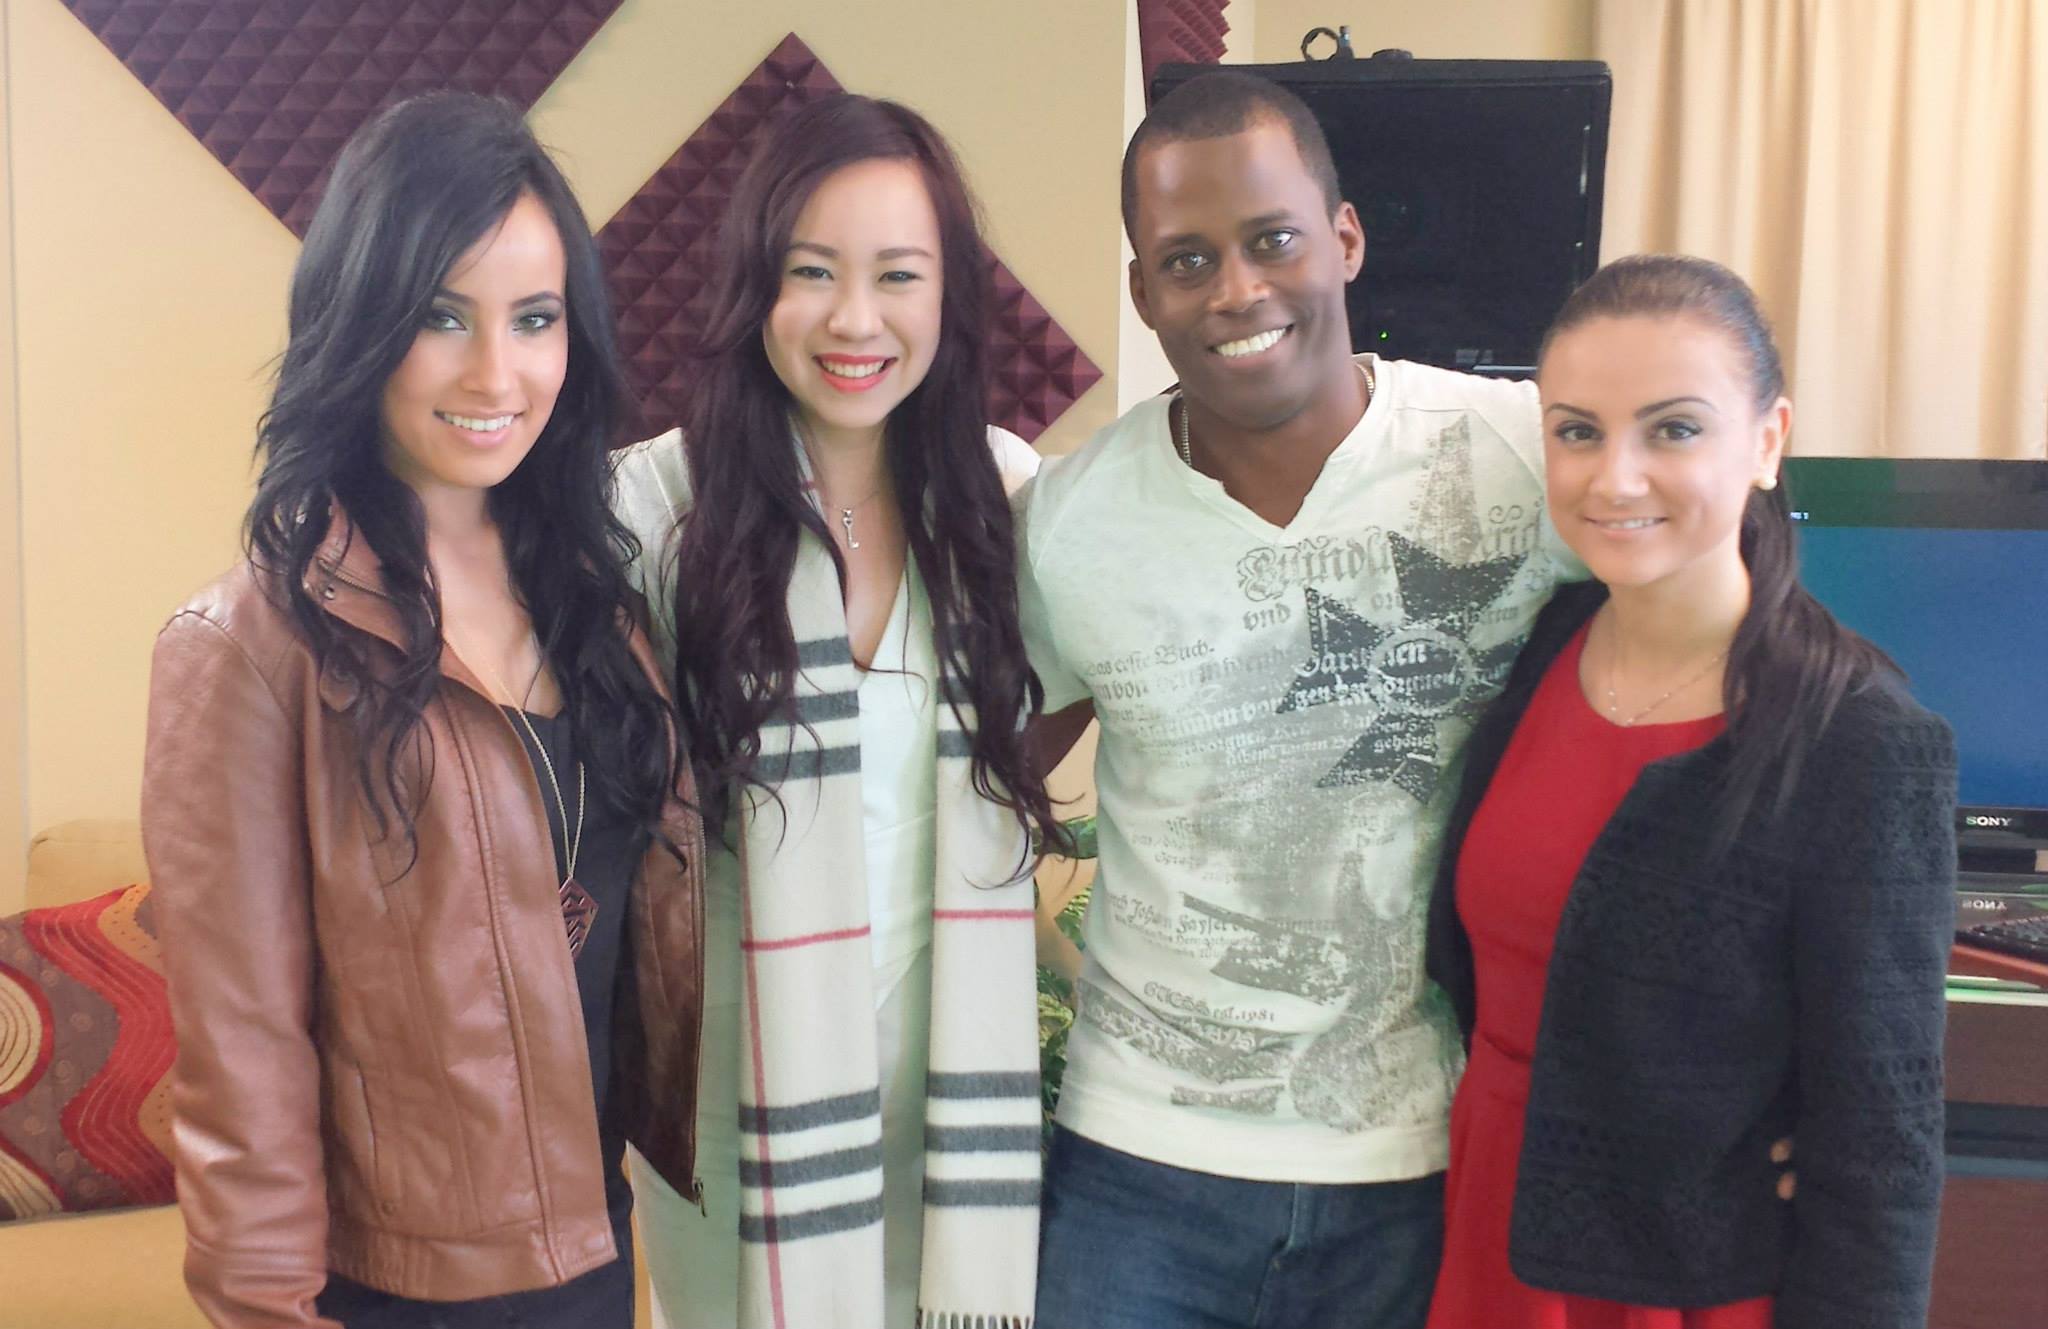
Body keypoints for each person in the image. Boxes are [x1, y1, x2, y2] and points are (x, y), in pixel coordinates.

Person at [1019, 71, 1578, 1329]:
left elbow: (1728, 661)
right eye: (1186, 260)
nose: (1235, 290)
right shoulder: (1067, 522)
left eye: (1271, 240)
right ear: (1141, 292)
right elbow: (969, 784)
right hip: (1136, 1174)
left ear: (1345, 239)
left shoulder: (1522, 454)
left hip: (1423, 1165)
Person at [140, 93, 705, 1328]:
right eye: (443, 316)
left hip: (595, 1245)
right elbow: (242, 1054)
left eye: (535, 318)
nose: (496, 373)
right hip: (400, 1291)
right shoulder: (249, 646)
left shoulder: (598, 603)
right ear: (362, 321)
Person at [1423, 254, 1956, 1329]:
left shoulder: (1857, 740)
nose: (1614, 480)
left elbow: (1879, 1145)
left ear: (1766, 441)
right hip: (1484, 1226)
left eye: (1672, 429)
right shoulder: (1540, 645)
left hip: (1683, 1281)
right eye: (1578, 431)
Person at [611, 93, 1057, 1329]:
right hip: (729, 1092)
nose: (854, 320)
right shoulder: (652, 510)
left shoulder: (1003, 498)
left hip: (946, 1082)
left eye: (896, 275)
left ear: (947, 297)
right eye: (811, 272)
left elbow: (1069, 701)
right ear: (754, 286)